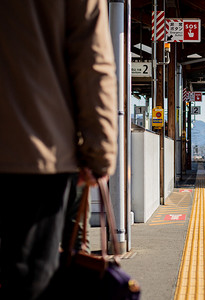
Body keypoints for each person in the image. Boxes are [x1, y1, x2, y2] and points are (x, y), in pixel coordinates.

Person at [0, 1, 118, 299]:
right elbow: (92, 63)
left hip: (32, 151)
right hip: (35, 153)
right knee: (29, 282)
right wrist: (99, 155)